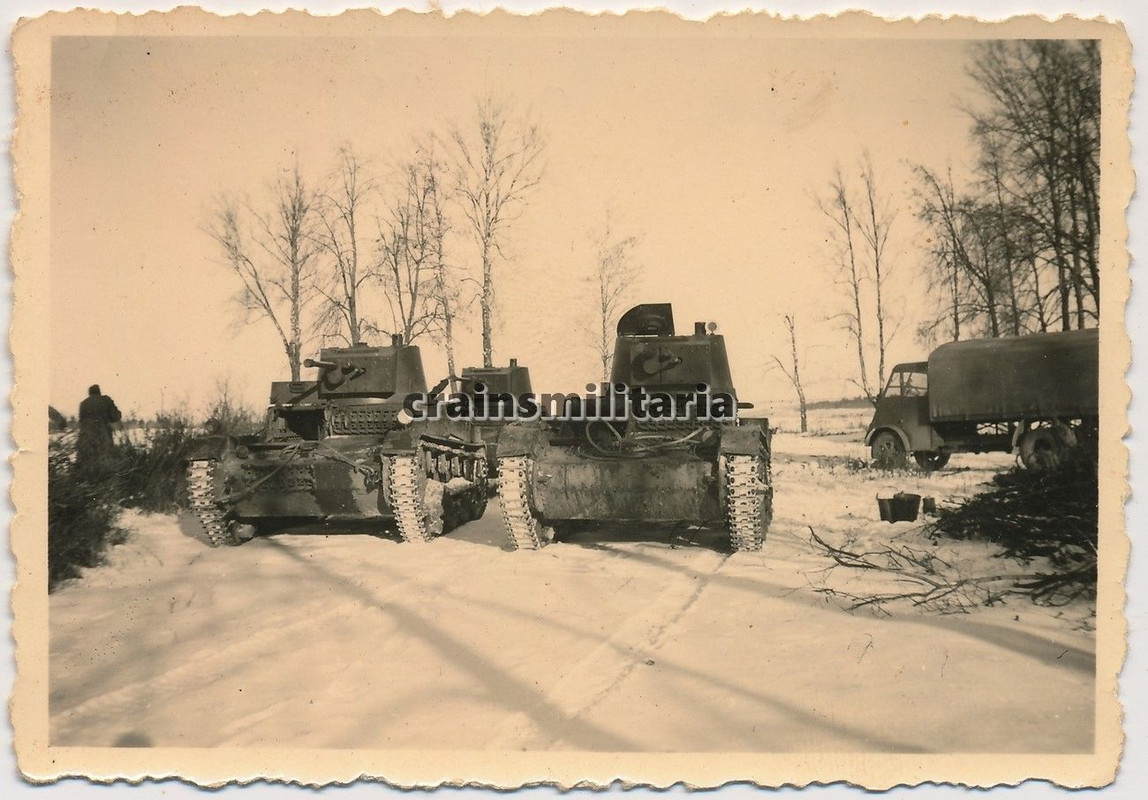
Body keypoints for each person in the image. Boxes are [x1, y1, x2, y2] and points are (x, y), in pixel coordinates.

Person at [76, 384, 122, 479]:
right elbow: (116, 416)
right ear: (99, 392)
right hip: (103, 436)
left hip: (86, 439)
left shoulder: (83, 404)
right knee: (105, 464)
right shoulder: (106, 400)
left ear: (89, 393)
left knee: (89, 464)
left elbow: (81, 422)